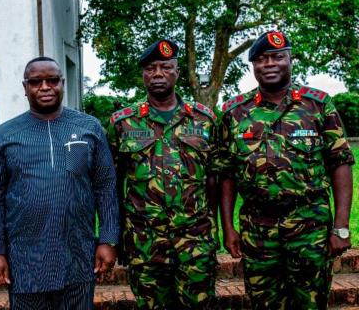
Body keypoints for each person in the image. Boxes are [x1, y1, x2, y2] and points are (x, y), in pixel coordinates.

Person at [218, 30, 355, 309]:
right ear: (253, 66)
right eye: (261, 59)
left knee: (311, 302)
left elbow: (340, 163)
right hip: (257, 231)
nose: (269, 64)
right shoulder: (235, 112)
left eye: (277, 57)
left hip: (309, 227)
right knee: (263, 304)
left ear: (290, 60)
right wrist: (228, 228)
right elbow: (226, 173)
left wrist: (341, 227)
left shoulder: (317, 105)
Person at [0, 56, 119, 309]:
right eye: (36, 82)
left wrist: (108, 239)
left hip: (77, 253)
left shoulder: (89, 128)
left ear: (62, 83)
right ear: (25, 87)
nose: (45, 87)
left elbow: (106, 186)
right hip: (25, 259)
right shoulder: (6, 134)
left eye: (52, 80)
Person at [107, 40, 218, 309]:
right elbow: (112, 185)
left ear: (177, 72)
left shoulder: (204, 120)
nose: (158, 74)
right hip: (145, 244)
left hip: (195, 243)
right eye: (151, 68)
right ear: (143, 74)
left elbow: (215, 178)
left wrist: (212, 227)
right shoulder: (123, 123)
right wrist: (115, 235)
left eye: (166, 67)